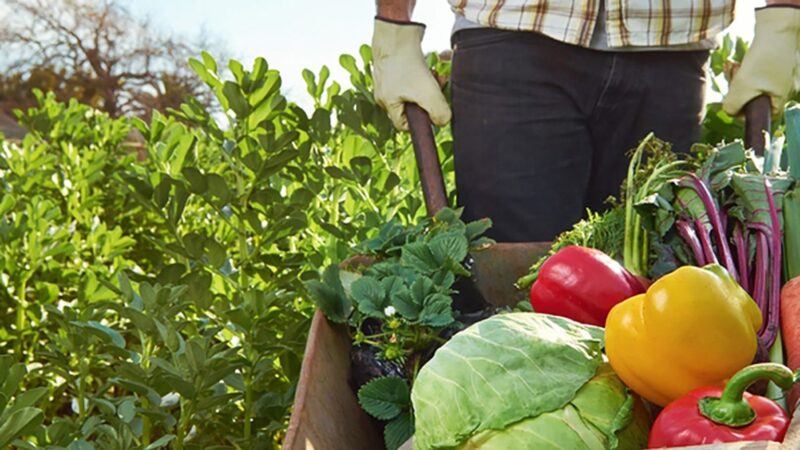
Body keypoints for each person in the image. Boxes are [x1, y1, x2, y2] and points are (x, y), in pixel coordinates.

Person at [371, 0, 800, 243]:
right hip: (512, 37)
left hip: (671, 45)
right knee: (513, 297)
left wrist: (785, 16)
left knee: (655, 282)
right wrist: (394, 27)